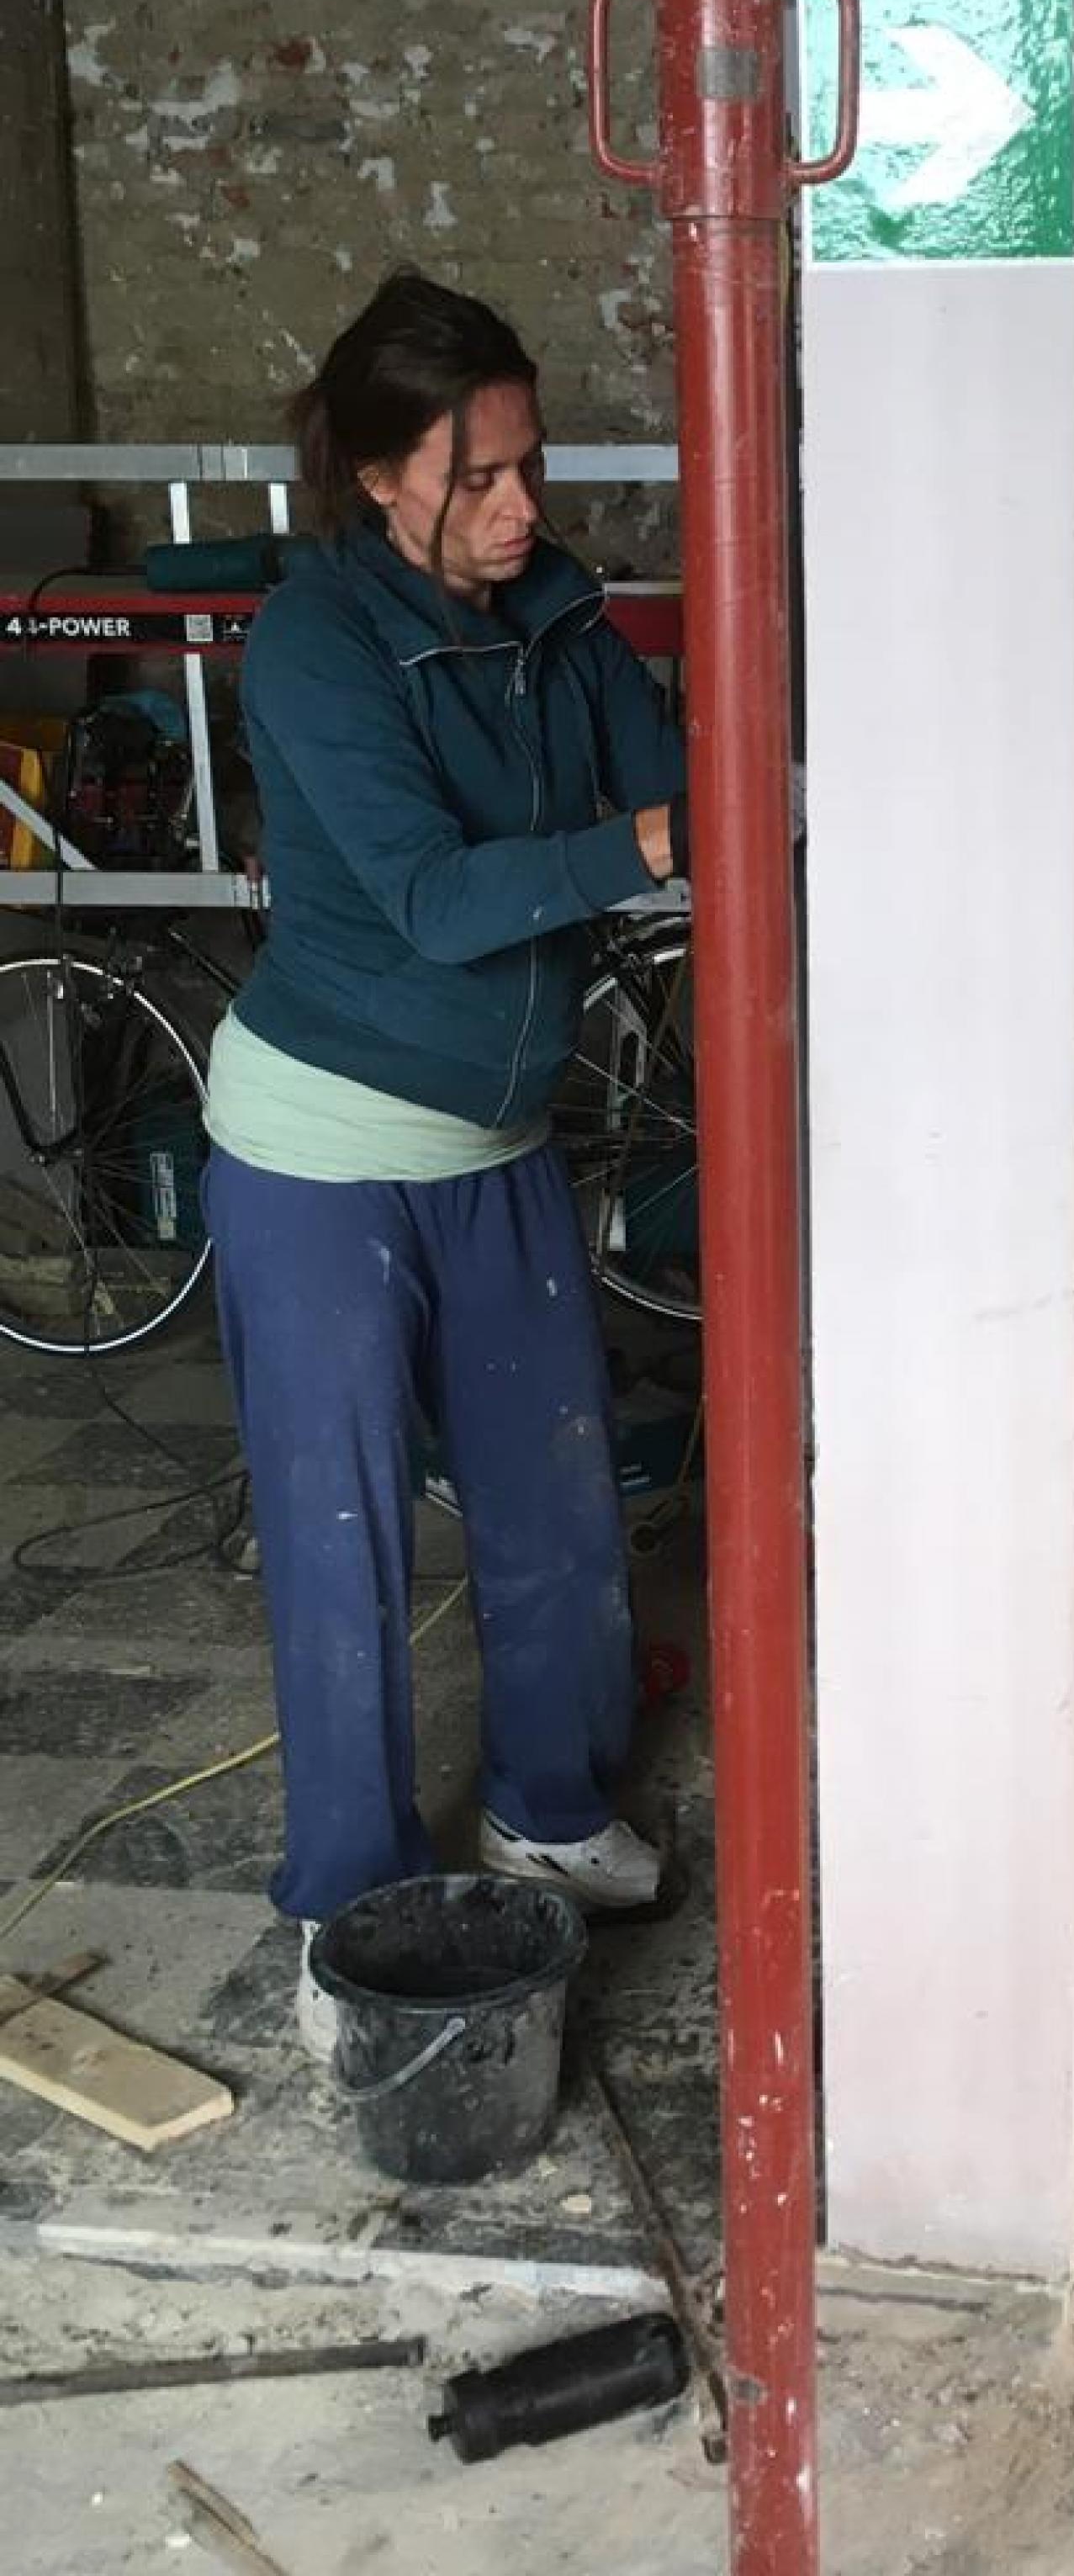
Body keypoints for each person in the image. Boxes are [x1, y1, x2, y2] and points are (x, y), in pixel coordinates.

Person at [202, 270, 688, 2055]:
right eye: (478, 474)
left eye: (529, 463)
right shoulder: (314, 641)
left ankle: (546, 1810)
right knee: (342, 1541)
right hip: (317, 1148)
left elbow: (680, 776)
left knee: (556, 1504)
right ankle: (348, 1901)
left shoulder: (557, 616)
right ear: (382, 474)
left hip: (497, 1140)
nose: (520, 504)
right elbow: (434, 900)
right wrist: (649, 839)